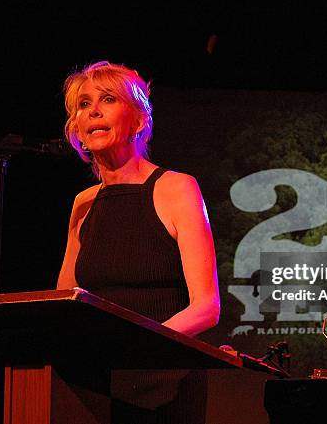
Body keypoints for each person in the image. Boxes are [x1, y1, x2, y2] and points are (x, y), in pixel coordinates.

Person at [56, 60, 219, 422]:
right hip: (96, 381)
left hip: (164, 378)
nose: (94, 110)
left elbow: (206, 306)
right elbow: (66, 301)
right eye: (84, 104)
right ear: (78, 130)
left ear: (140, 120)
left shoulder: (177, 188)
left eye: (108, 99)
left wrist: (133, 348)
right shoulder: (83, 203)